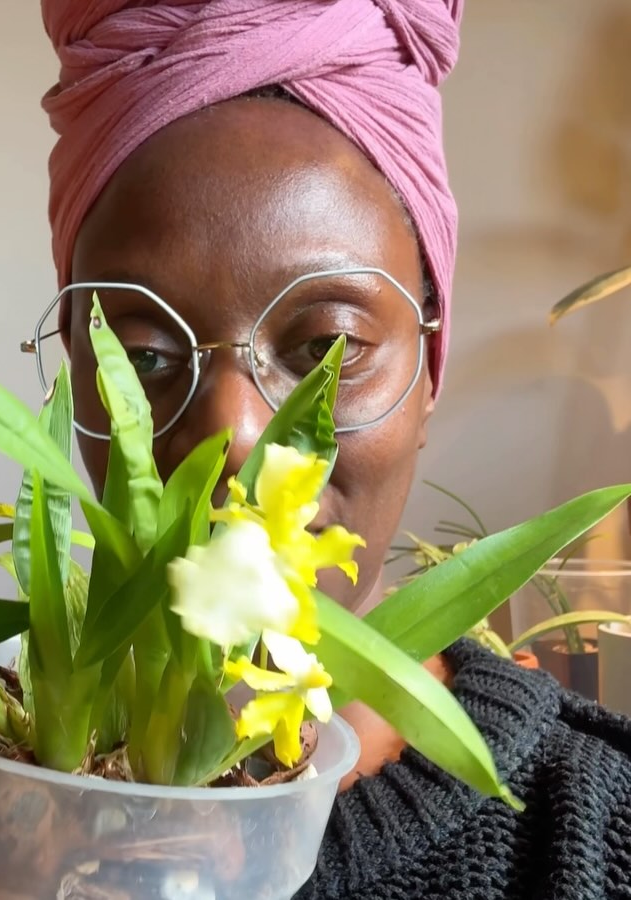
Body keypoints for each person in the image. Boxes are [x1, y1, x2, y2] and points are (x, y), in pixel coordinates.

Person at [36, 2, 631, 897]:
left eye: (329, 353)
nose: (234, 439)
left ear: (430, 369)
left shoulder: (589, 832)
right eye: (142, 358)